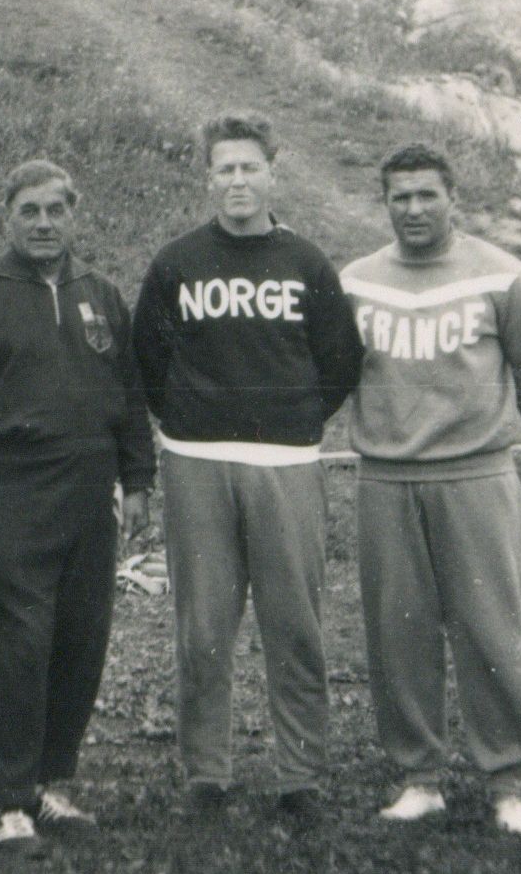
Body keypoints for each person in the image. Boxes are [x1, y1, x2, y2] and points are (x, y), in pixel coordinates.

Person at [132, 114, 364, 824]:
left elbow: (339, 362)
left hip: (284, 463)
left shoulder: (306, 264)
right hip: (196, 461)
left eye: (248, 167)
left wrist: (293, 420)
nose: (236, 180)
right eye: (223, 169)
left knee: (294, 622)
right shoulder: (176, 262)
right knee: (203, 625)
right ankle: (206, 771)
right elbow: (147, 357)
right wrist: (188, 417)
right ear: (208, 177)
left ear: (271, 172)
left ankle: (300, 773)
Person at [339, 143, 521, 836]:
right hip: (386, 479)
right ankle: (420, 777)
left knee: (492, 628)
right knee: (397, 630)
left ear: (451, 197)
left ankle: (506, 781)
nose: (412, 209)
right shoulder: (356, 281)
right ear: (385, 204)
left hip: (475, 476)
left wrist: (482, 432)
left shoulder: (502, 274)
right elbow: (336, 371)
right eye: (399, 197)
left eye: (425, 195)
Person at [0, 159, 156, 855]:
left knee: (78, 638)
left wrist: (138, 481)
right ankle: (4, 798)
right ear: (6, 215)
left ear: (73, 214)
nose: (42, 222)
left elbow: (128, 395)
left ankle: (47, 781)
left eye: (54, 210)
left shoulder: (100, 292)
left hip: (88, 488)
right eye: (28, 210)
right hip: (9, 487)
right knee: (17, 643)